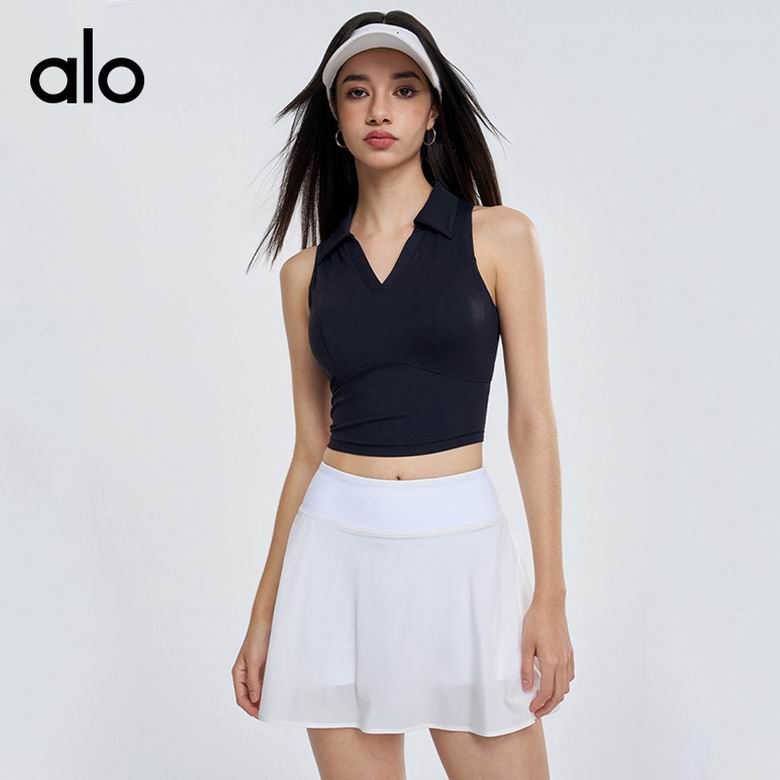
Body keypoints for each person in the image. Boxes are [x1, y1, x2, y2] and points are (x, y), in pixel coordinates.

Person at [232, 11, 574, 779]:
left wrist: (549, 596)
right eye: (357, 92)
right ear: (336, 120)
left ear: (433, 113)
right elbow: (308, 449)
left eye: (403, 89)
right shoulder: (306, 275)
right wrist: (263, 616)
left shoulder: (499, 237)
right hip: (334, 557)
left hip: (463, 556)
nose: (379, 108)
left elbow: (532, 421)